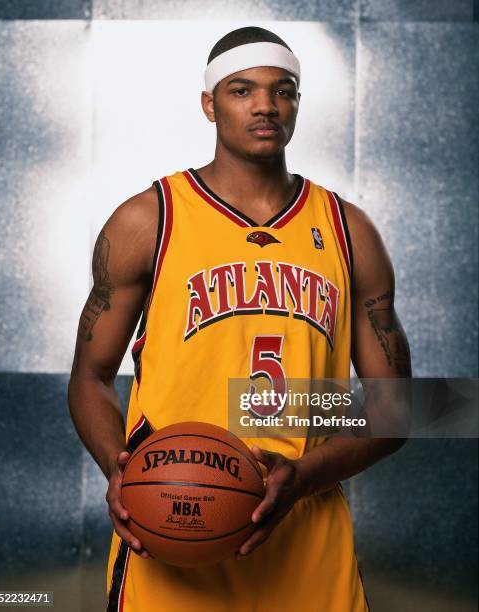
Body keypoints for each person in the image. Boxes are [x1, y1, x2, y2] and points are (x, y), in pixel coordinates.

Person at [68, 26, 411, 612]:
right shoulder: (148, 219)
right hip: (169, 525)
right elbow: (89, 377)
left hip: (307, 536)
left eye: (283, 91)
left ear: (297, 104)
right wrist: (120, 471)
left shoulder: (350, 231)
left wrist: (301, 475)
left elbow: (398, 406)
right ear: (209, 103)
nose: (265, 106)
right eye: (241, 90)